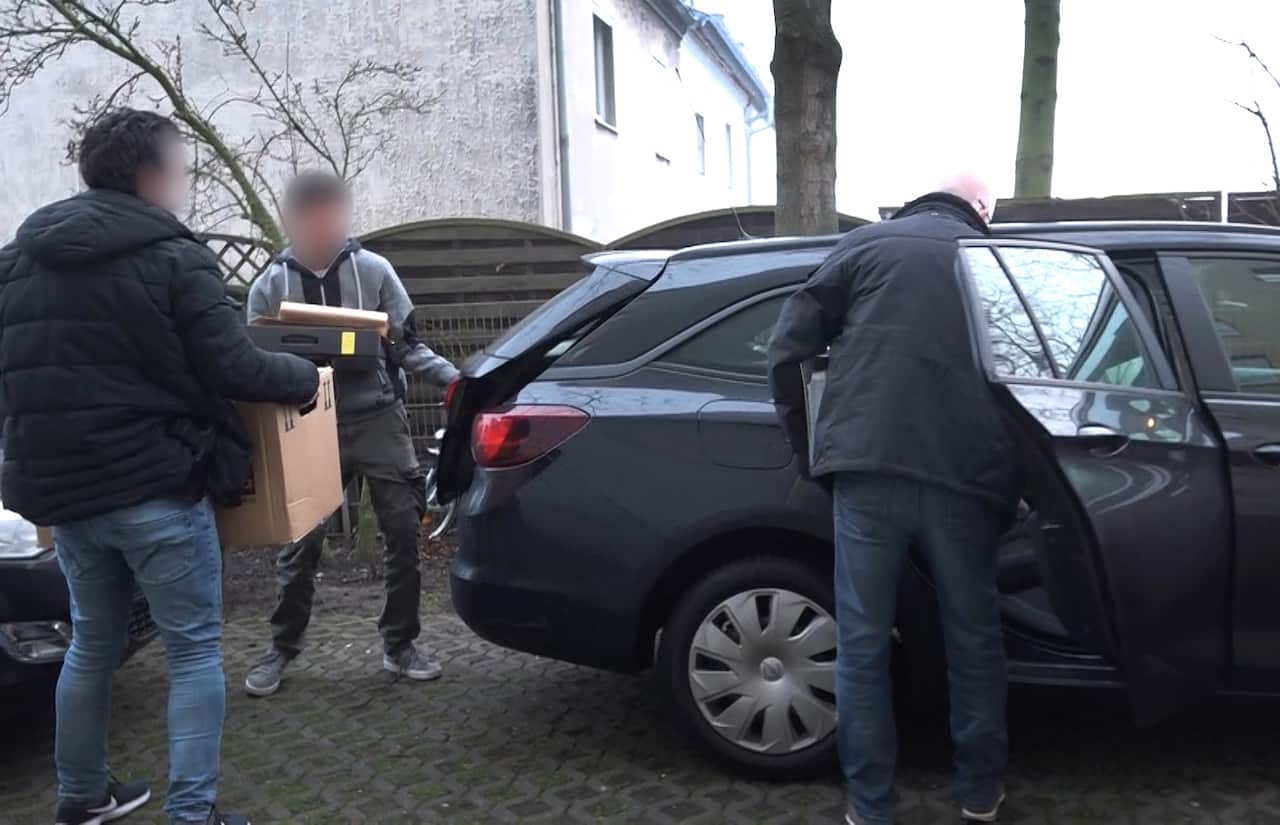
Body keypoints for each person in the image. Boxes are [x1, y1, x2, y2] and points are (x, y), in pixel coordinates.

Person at [0, 108, 320, 825]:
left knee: (89, 643)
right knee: (195, 650)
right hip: (155, 488)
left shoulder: (17, 261)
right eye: (178, 169)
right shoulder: (176, 257)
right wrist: (304, 378)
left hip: (68, 496)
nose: (183, 182)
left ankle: (81, 794)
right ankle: (191, 812)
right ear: (151, 176)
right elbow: (233, 364)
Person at [766, 175, 1017, 825]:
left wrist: (812, 451)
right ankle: (979, 791)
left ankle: (872, 806)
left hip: (866, 470)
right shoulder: (993, 261)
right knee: (974, 637)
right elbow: (1027, 375)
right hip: (964, 476)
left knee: (863, 643)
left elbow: (787, 348)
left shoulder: (862, 248)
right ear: (981, 211)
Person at [243, 171, 459, 697]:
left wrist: (457, 381)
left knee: (404, 532)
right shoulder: (269, 285)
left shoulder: (375, 271)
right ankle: (282, 648)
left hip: (379, 415)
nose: (320, 223)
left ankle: (400, 645)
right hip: (308, 422)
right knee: (302, 544)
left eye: (329, 213)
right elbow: (249, 363)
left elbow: (407, 346)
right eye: (309, 214)